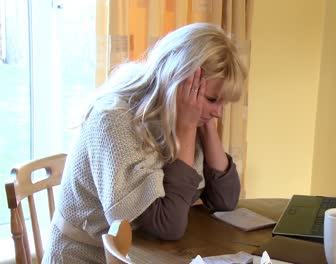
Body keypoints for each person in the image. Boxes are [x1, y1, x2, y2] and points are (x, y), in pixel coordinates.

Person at [42, 22, 247, 263]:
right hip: (86, 257)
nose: (218, 112)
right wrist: (187, 127)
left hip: (145, 253)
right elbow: (166, 224)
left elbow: (225, 202)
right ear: (180, 82)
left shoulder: (182, 113)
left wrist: (207, 127)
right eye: (213, 99)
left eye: (222, 102)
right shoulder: (113, 120)